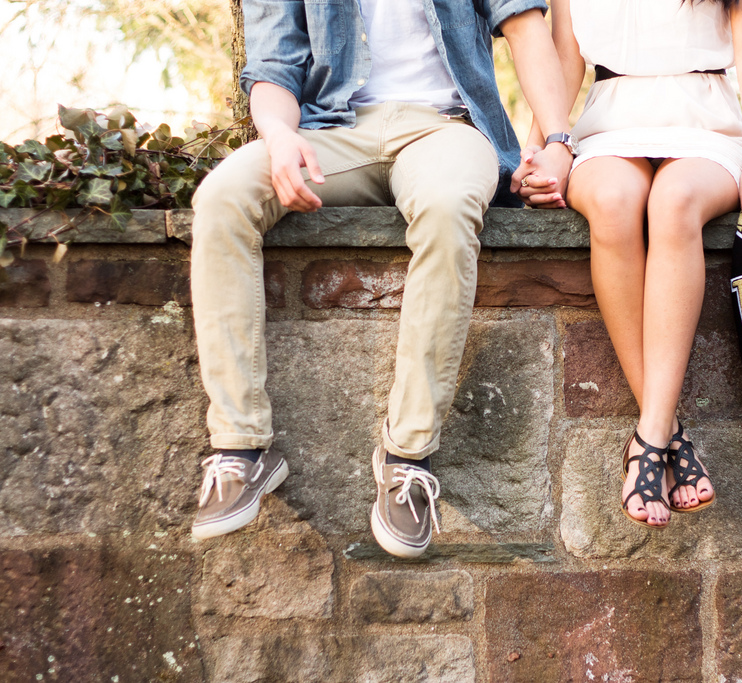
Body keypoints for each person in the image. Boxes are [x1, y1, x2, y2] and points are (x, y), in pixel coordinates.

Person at [188, 0, 574, 557]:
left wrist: (558, 140)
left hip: (446, 129)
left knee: (448, 207)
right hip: (331, 130)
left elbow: (526, 26)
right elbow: (273, 65)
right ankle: (240, 450)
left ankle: (407, 461)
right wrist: (276, 136)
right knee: (222, 199)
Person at [513, 0, 742, 527]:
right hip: (608, 122)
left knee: (675, 202)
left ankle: (647, 444)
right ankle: (667, 433)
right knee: (614, 203)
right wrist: (540, 149)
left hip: (707, 121)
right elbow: (566, 57)